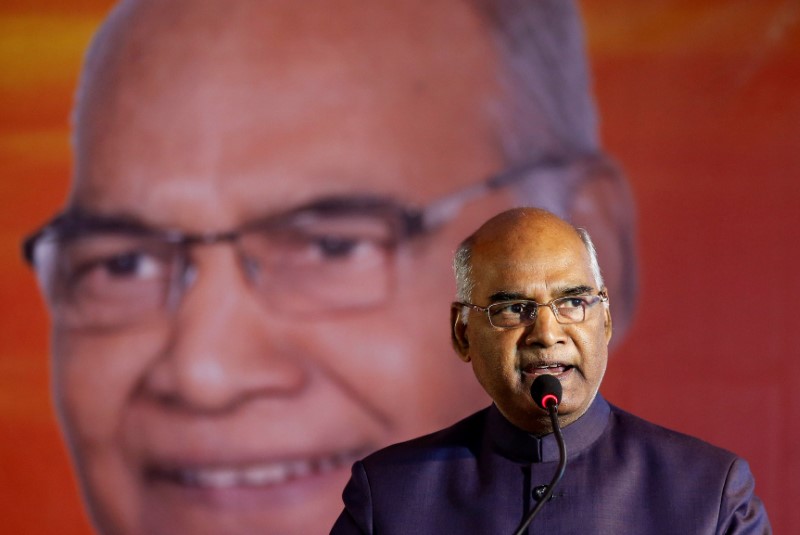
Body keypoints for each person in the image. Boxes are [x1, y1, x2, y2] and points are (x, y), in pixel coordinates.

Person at [22, 1, 636, 534]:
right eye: (124, 263)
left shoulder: (701, 502)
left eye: (333, 246)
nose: (204, 373)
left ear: (589, 248)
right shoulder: (382, 499)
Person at [331, 207, 770, 534]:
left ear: (606, 322)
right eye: (514, 308)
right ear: (462, 333)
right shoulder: (389, 497)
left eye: (573, 303)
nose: (546, 333)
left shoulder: (712, 493)